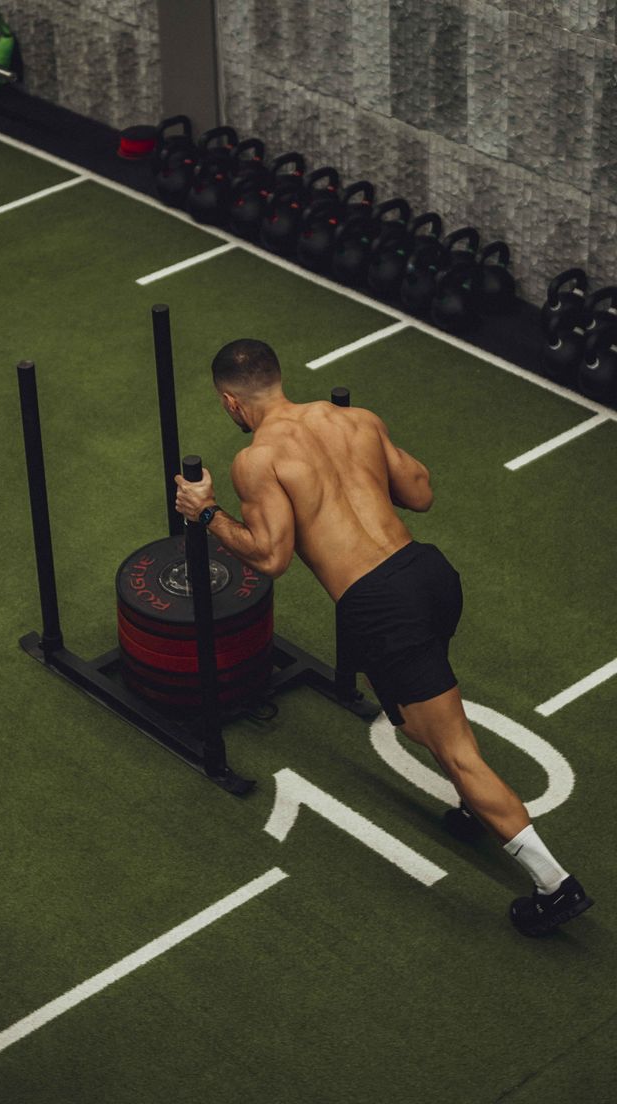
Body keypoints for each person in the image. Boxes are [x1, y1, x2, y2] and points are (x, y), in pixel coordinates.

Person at [174, 338, 593, 936]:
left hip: (380, 606)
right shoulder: (355, 420)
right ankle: (475, 803)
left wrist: (208, 512)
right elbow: (420, 492)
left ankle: (556, 887)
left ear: (230, 403)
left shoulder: (257, 459)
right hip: (429, 575)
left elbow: (271, 558)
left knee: (453, 748)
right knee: (417, 719)